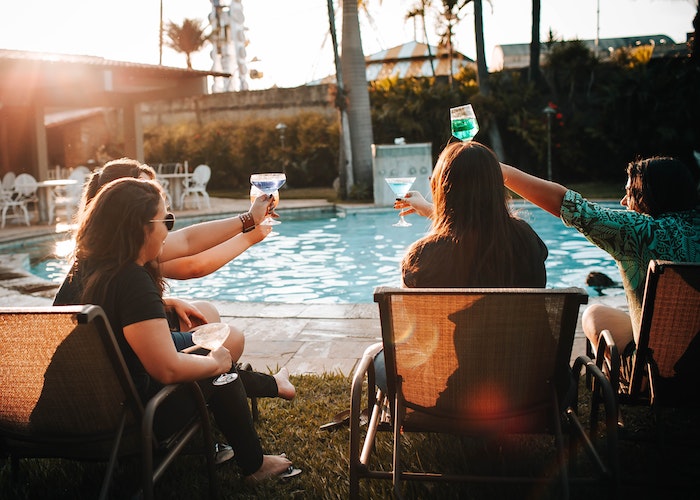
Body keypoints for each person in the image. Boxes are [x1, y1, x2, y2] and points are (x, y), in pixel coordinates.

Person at [54, 177, 299, 482]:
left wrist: (249, 219)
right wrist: (216, 362)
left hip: (68, 420)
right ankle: (255, 464)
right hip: (129, 423)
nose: (170, 231)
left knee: (210, 355)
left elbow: (187, 242)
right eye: (166, 219)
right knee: (219, 367)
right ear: (141, 227)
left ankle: (270, 390)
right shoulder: (131, 281)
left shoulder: (85, 268)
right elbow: (168, 369)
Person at [71, 158, 295, 401]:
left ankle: (240, 386)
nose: (153, 198)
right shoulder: (129, 258)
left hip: (105, 362)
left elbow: (113, 303)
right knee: (227, 341)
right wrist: (249, 230)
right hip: (125, 380)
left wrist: (165, 302)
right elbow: (192, 262)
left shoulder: (97, 253)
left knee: (206, 314)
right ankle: (234, 389)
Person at [374, 141, 548, 392]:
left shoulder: (423, 257)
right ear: (497, 187)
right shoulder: (526, 239)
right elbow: (482, 233)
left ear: (443, 191)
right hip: (528, 389)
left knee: (379, 356)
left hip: (450, 395)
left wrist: (439, 216)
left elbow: (418, 337)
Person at [495, 155, 700, 360]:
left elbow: (567, 204)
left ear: (649, 197)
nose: (623, 202)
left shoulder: (640, 232)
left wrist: (497, 168)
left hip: (659, 369)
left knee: (593, 314)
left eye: (630, 193)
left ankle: (640, 380)